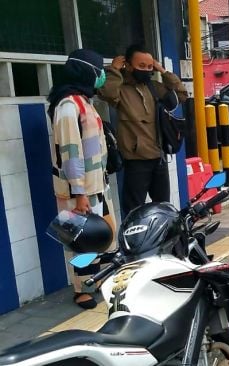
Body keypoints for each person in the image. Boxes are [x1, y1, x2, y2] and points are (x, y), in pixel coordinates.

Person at [48, 49, 116, 309]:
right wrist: (79, 192)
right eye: (99, 71)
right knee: (82, 240)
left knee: (101, 237)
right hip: (80, 189)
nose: (101, 76)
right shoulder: (68, 105)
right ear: (87, 71)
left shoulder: (83, 100)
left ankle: (97, 280)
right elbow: (70, 151)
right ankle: (82, 289)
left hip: (96, 184)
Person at [98, 44, 188, 215]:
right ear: (128, 66)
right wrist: (114, 69)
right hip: (136, 161)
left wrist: (161, 69)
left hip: (159, 158)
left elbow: (181, 94)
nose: (146, 70)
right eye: (141, 66)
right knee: (134, 210)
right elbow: (107, 93)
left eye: (149, 67)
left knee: (163, 208)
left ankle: (163, 240)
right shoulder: (121, 89)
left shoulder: (153, 87)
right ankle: (136, 241)